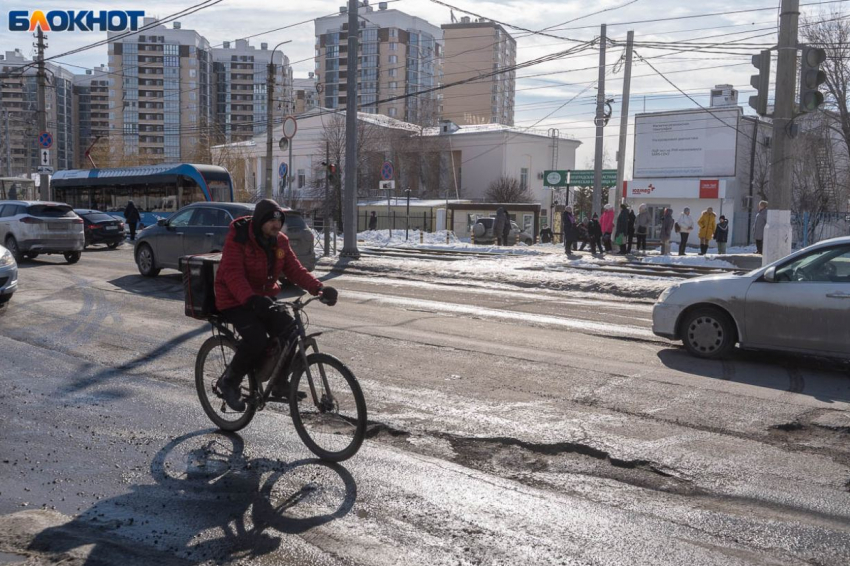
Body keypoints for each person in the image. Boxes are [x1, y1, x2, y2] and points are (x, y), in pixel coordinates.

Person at [213, 199, 338, 411]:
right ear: (261, 220)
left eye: (279, 222)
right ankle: (229, 382)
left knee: (290, 330)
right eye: (271, 221)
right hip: (234, 299)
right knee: (256, 338)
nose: (276, 226)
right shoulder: (239, 237)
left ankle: (279, 382)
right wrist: (250, 299)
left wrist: (319, 288)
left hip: (262, 298)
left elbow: (295, 270)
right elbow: (232, 274)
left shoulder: (279, 242)